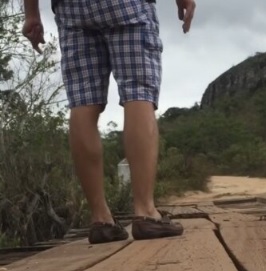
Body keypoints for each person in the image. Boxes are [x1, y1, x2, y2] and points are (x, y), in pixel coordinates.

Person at [22, 0, 196, 244]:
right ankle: (146, 213)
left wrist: (31, 14)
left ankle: (101, 219)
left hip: (71, 8)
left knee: (83, 101)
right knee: (139, 91)